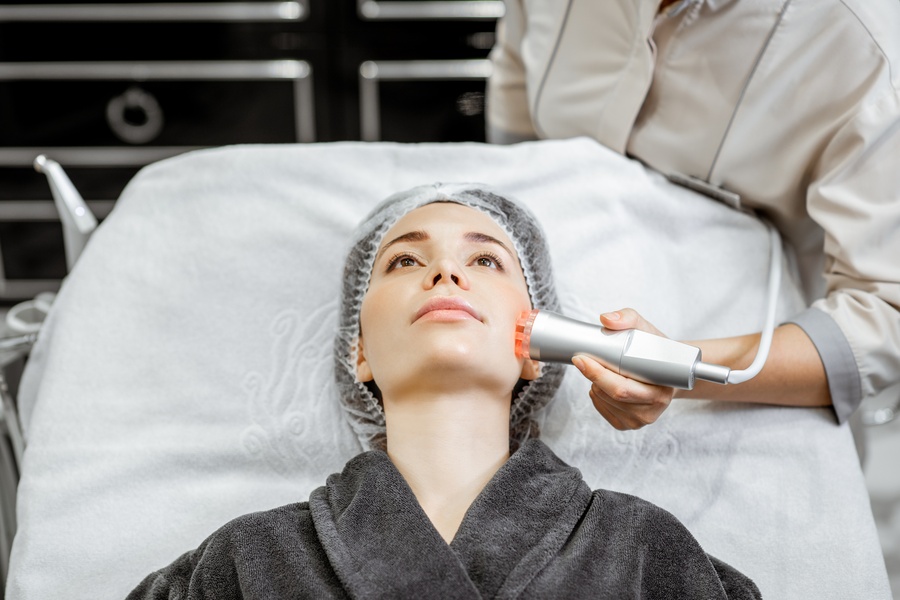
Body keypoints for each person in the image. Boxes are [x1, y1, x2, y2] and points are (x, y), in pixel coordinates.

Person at [127, 183, 760, 599]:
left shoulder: (647, 549)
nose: (445, 270)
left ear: (540, 345)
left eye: (486, 261)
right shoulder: (245, 560)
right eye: (403, 261)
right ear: (362, 351)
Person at [486, 0, 900, 432]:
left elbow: (885, 316)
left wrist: (674, 368)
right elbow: (517, 110)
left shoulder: (864, 43)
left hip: (748, 382)